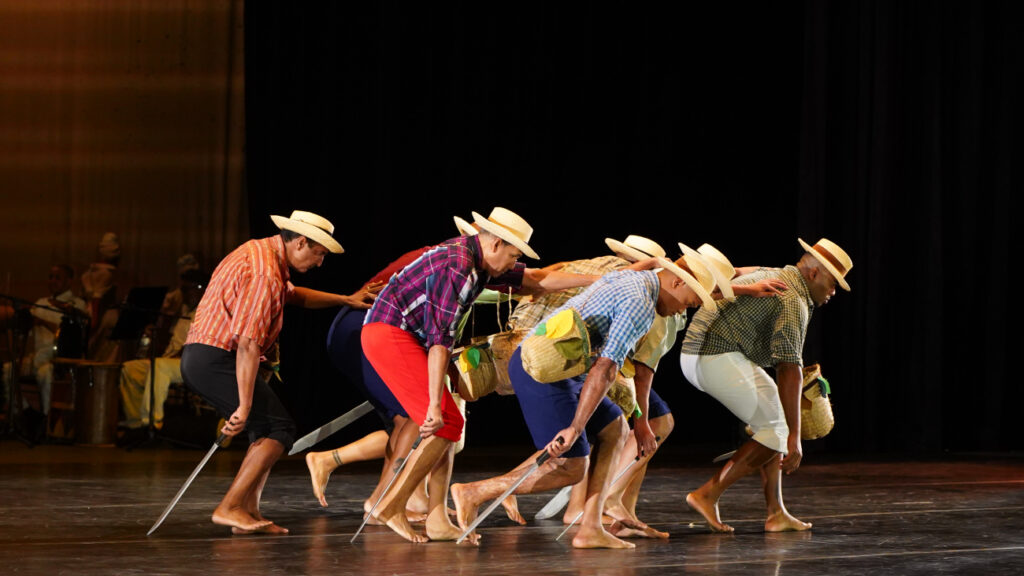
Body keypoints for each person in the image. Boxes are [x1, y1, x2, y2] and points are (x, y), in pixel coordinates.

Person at [359, 207, 600, 544]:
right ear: (496, 244)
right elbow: (439, 340)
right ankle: (391, 505)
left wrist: (596, 281)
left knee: (450, 424)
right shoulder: (458, 267)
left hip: (409, 336)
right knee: (443, 420)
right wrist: (431, 404)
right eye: (513, 255)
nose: (513, 263)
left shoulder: (479, 261)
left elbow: (535, 280)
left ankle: (437, 518)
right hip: (389, 333)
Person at [451, 250, 719, 549]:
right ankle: (475, 491)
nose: (680, 312)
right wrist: (577, 427)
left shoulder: (635, 277)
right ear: (679, 284)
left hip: (564, 365)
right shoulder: (641, 305)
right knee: (571, 467)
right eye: (688, 304)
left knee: (615, 428)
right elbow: (606, 368)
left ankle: (590, 527)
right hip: (541, 370)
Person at [180, 210, 377, 535]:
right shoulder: (265, 274)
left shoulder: (262, 252)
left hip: (208, 355)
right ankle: (229, 507)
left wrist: (346, 300)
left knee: (268, 428)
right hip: (215, 358)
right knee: (277, 429)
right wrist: (242, 405)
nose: (319, 264)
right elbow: (246, 343)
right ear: (301, 242)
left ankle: (247, 511)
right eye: (319, 254)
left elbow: (293, 295)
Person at [680, 238, 853, 533]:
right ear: (813, 274)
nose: (834, 291)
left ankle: (776, 512)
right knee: (779, 429)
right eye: (833, 282)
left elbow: (732, 272)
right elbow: (789, 369)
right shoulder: (794, 300)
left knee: (774, 423)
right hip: (710, 356)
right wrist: (795, 439)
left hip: (703, 352)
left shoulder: (774, 272)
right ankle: (707, 494)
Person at [118, 269, 208, 432]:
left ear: (201, 289)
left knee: (160, 366)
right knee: (129, 368)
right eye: (182, 289)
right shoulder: (185, 312)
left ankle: (152, 422)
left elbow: (201, 345)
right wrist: (155, 335)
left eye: (186, 289)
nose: (183, 294)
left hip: (194, 364)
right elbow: (171, 344)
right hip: (173, 361)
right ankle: (135, 422)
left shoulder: (209, 312)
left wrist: (174, 355)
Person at [28, 264, 88, 417]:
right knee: (7, 372)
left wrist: (43, 322)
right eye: (50, 277)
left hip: (59, 359)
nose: (53, 281)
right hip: (36, 357)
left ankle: (50, 420)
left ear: (69, 281)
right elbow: (26, 327)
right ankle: (26, 415)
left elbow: (73, 336)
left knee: (45, 374)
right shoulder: (40, 302)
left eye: (57, 278)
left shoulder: (77, 304)